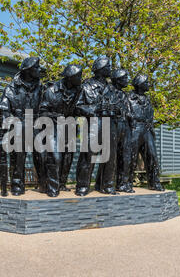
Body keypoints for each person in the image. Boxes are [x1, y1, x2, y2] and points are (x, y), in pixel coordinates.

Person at [0, 57, 46, 196]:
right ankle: (17, 185)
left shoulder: (41, 87)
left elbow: (46, 105)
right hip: (19, 124)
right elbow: (3, 108)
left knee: (42, 155)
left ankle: (44, 183)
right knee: (18, 156)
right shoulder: (12, 88)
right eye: (36, 67)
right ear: (28, 70)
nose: (39, 70)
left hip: (37, 124)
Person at [40, 64, 83, 197]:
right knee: (55, 157)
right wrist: (56, 117)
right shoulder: (51, 91)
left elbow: (79, 107)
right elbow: (42, 112)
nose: (81, 78)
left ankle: (62, 183)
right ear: (70, 78)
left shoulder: (78, 91)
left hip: (69, 127)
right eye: (78, 76)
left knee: (68, 158)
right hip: (53, 126)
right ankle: (52, 188)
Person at [74, 56, 112, 197]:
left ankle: (106, 185)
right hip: (93, 123)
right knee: (88, 156)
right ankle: (83, 185)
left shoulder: (111, 87)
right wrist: (93, 109)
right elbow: (77, 106)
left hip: (109, 123)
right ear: (101, 69)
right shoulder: (86, 86)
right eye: (108, 67)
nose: (110, 69)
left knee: (109, 156)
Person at [127, 74, 165, 192]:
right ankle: (126, 183)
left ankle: (154, 182)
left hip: (147, 129)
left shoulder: (147, 99)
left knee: (152, 156)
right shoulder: (128, 98)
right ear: (140, 84)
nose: (148, 84)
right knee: (130, 157)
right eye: (146, 82)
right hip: (134, 128)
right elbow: (125, 113)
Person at [94, 69, 129, 194]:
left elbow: (127, 111)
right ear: (118, 80)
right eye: (124, 78)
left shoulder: (124, 94)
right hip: (111, 124)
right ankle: (107, 185)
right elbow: (103, 107)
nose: (127, 80)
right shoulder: (107, 91)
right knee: (110, 156)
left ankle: (104, 183)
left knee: (123, 156)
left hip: (123, 126)